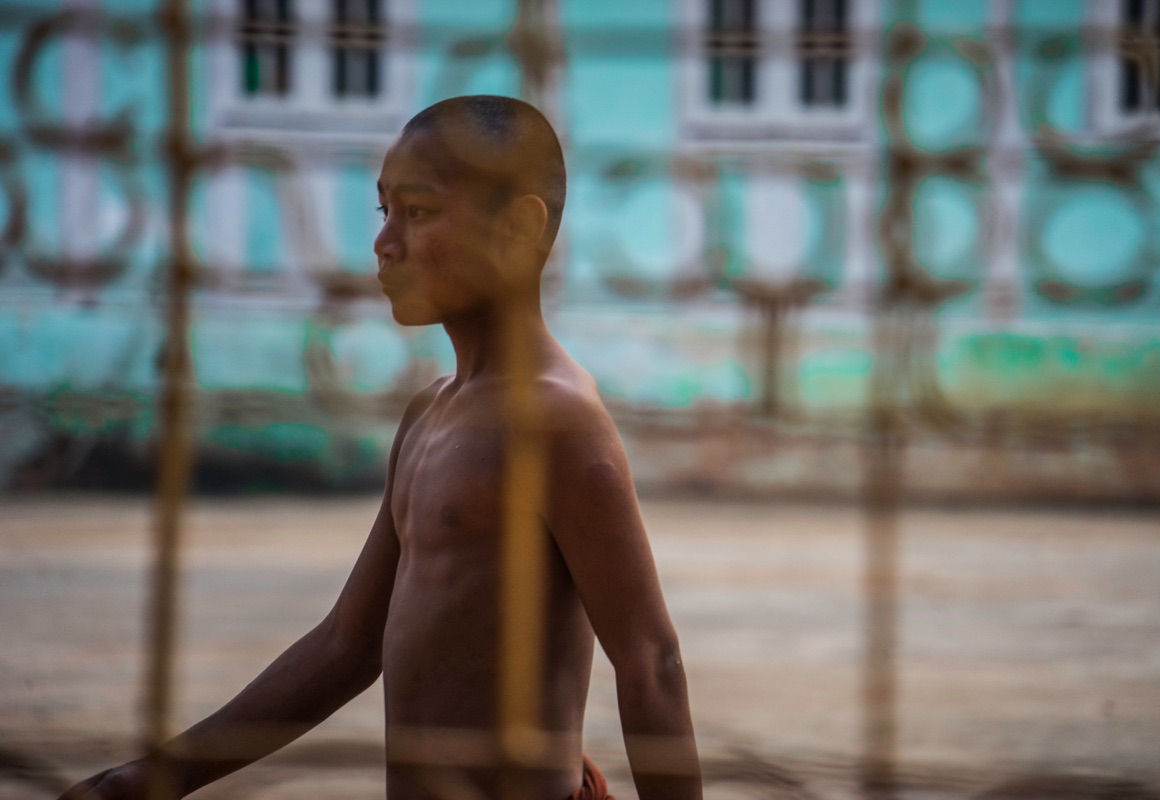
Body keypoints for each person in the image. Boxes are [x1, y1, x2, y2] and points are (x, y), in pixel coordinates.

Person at [61, 95, 703, 800]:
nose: (384, 241)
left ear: (519, 229)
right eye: (383, 211)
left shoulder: (555, 421)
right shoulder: (431, 413)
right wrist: (147, 780)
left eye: (419, 213)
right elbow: (347, 644)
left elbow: (651, 661)